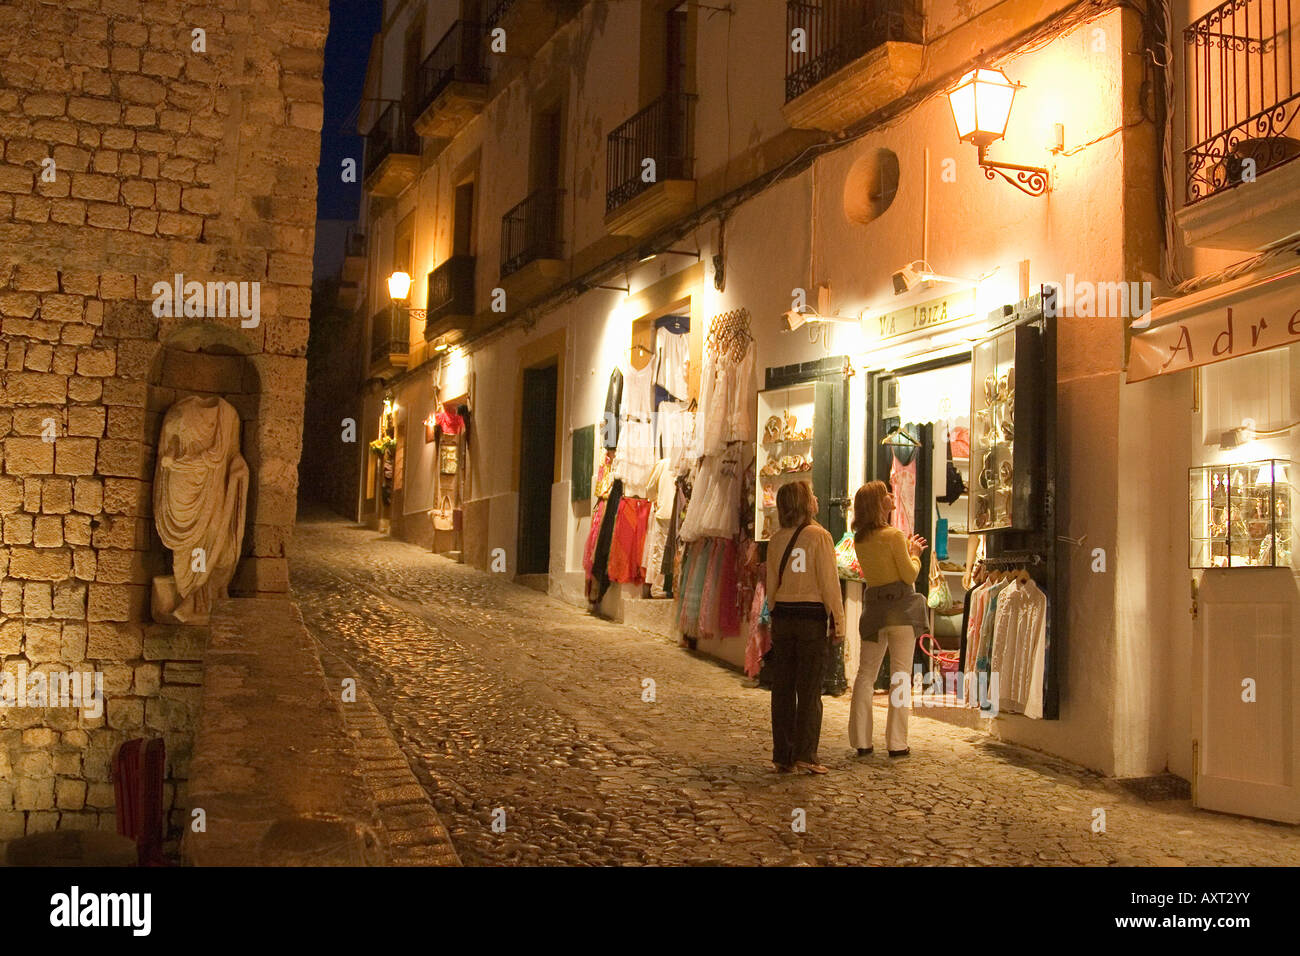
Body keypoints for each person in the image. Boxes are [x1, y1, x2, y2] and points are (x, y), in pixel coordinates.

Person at [765, 480, 845, 774]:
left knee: (782, 688)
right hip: (811, 620)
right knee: (809, 689)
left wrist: (776, 610)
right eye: (811, 494)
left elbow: (771, 585)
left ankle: (782, 755)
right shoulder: (819, 537)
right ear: (804, 503)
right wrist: (838, 622)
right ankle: (806, 754)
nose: (816, 497)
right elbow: (829, 584)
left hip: (784, 618)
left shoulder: (776, 540)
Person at [849, 480, 928, 757]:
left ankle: (861, 740)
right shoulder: (894, 536)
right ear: (878, 503)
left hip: (874, 612)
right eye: (886, 494)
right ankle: (896, 742)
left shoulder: (860, 539)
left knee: (865, 675)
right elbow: (909, 575)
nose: (891, 497)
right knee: (900, 676)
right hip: (901, 611)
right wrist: (915, 555)